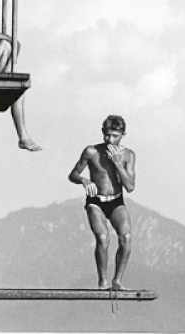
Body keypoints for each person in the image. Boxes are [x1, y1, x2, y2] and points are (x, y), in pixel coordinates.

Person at [68, 115, 136, 290]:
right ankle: (102, 282)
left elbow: (130, 186)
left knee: (126, 238)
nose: (110, 140)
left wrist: (117, 164)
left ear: (122, 135)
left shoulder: (128, 155)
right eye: (107, 135)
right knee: (103, 238)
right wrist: (84, 181)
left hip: (116, 200)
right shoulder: (92, 151)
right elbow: (73, 174)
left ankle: (117, 281)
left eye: (115, 136)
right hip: (95, 201)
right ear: (102, 133)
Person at [0, 4, 41, 151]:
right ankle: (23, 137)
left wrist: (8, 71)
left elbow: (17, 44)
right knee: (5, 45)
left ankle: (23, 136)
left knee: (19, 94)